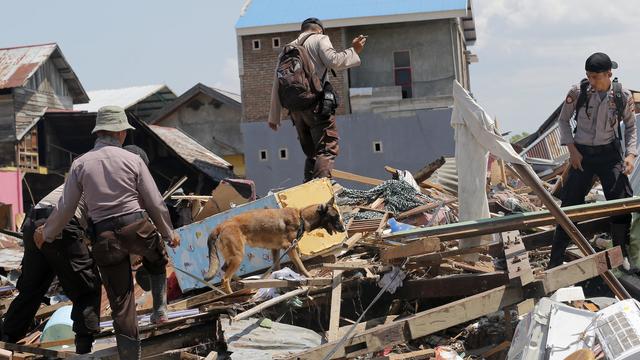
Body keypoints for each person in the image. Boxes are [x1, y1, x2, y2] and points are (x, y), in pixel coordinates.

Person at [34, 106, 180, 359]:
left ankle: (129, 355)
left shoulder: (80, 164)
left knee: (121, 303)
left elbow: (66, 207)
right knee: (157, 258)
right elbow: (154, 202)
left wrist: (46, 233)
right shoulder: (133, 160)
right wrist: (169, 233)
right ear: (121, 132)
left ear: (98, 132)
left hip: (104, 239)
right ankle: (160, 310)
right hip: (137, 228)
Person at [550, 52, 637, 269]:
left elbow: (630, 126)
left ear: (609, 74)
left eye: (596, 77)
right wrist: (571, 149)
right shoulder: (578, 92)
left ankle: (622, 254)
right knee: (570, 205)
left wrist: (631, 154)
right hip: (582, 156)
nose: (592, 82)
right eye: (589, 76)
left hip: (609, 155)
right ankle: (556, 259)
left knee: (621, 202)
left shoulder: (621, 96)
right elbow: (562, 121)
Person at [0, 187, 101, 354]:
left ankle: (6, 338)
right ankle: (84, 347)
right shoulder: (108, 182)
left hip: (32, 221)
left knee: (31, 289)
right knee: (87, 287)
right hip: (60, 222)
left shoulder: (84, 173)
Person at [268, 17, 366, 182]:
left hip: (296, 110)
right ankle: (319, 189)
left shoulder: (287, 49)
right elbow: (333, 61)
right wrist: (354, 50)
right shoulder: (320, 39)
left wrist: (274, 116)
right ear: (319, 29)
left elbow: (277, 83)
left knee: (312, 153)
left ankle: (308, 188)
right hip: (316, 106)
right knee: (327, 149)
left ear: (303, 30)